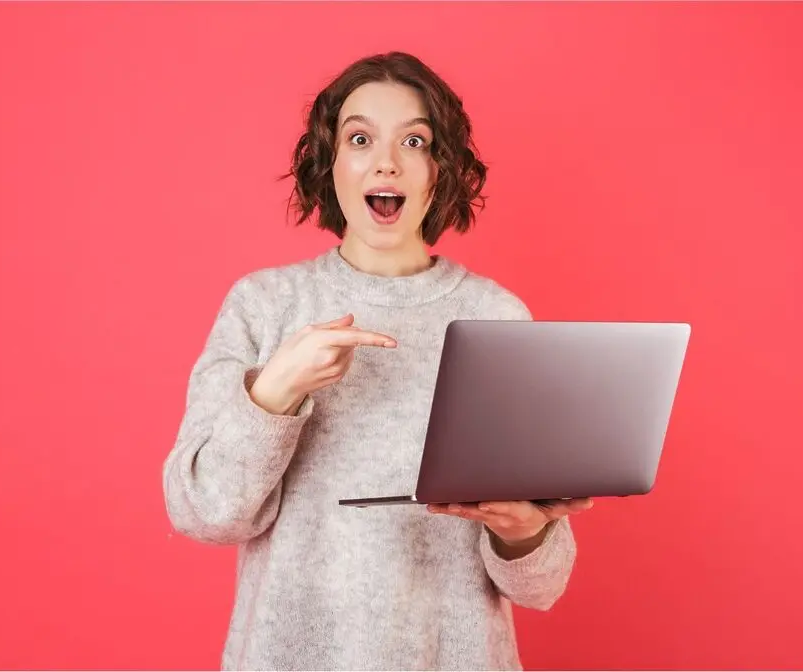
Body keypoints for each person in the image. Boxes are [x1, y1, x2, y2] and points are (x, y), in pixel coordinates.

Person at [162, 51, 594, 671]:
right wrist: (275, 391)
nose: (386, 160)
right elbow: (202, 513)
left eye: (414, 141)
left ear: (440, 170)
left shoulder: (497, 317)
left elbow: (542, 586)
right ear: (329, 162)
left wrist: (522, 530)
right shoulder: (265, 303)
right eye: (360, 138)